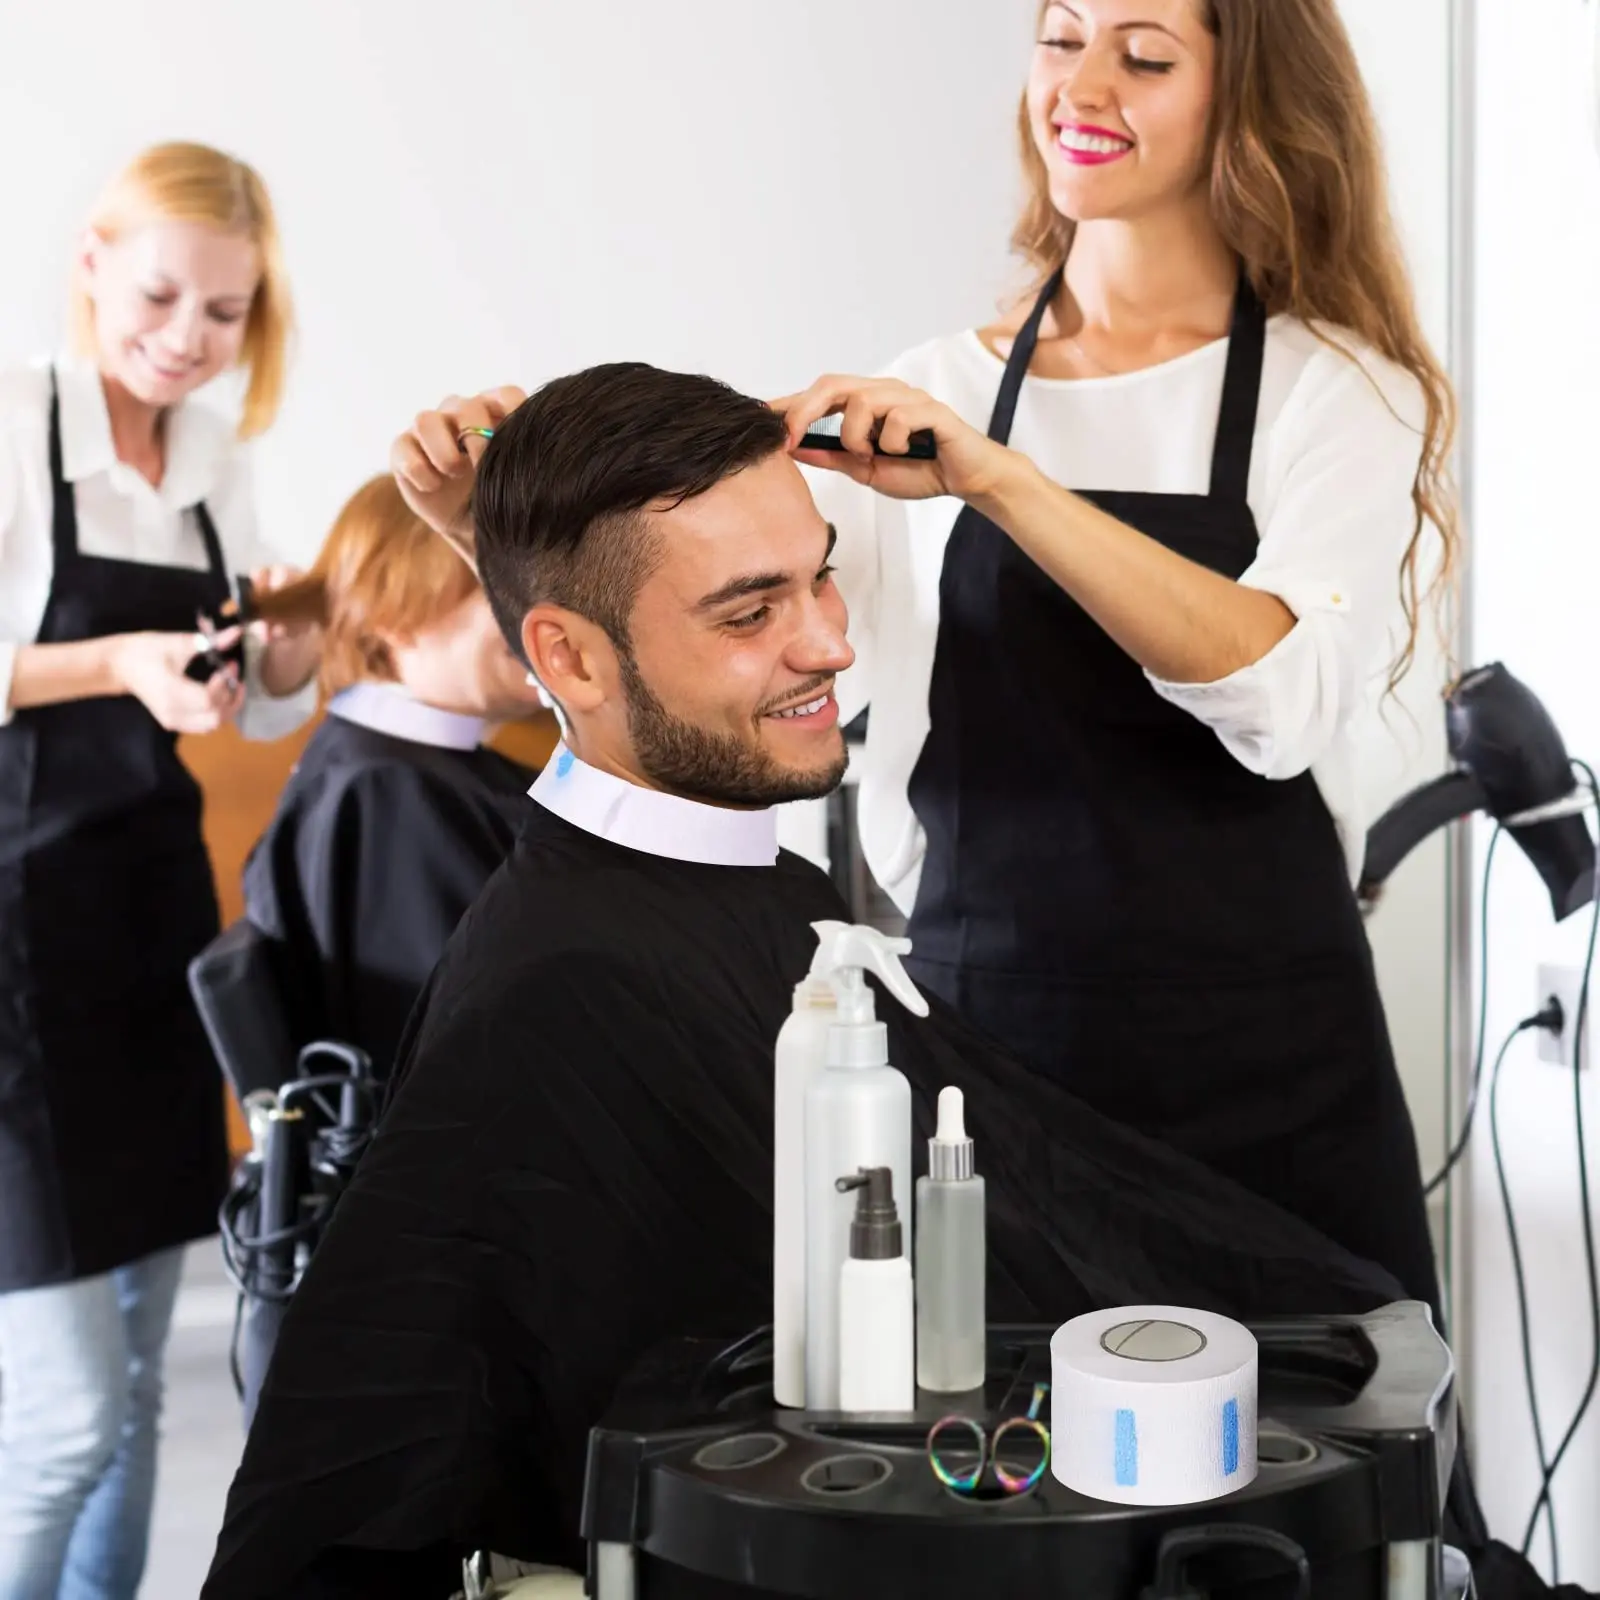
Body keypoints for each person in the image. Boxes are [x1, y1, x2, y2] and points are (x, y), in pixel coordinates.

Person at [202, 364, 1407, 1600]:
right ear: (567, 655)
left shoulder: (737, 886)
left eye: (820, 575)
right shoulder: (560, 988)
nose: (831, 640)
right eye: (749, 612)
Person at [773, 0, 1455, 1321]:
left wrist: (1003, 484)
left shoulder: (1339, 390)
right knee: (994, 1433)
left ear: (1248, 100)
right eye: (1061, 37)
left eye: (1143, 56)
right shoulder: (933, 384)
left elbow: (1279, 699)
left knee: (1313, 1437)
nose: (1081, 85)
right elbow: (763, 645)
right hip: (992, 1058)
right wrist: (498, 521)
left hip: (1269, 1072)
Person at [0, 141, 317, 1600]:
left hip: (145, 938)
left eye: (225, 312)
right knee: (65, 1418)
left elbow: (252, 711)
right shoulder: (19, 421)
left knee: (134, 1398)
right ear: (91, 266)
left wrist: (281, 657)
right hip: (17, 949)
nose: (187, 337)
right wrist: (120, 659)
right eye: (159, 296)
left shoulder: (211, 465)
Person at [243, 473, 546, 1080]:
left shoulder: (402, 767)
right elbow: (464, 1055)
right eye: (501, 582)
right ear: (393, 613)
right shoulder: (388, 797)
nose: (544, 612)